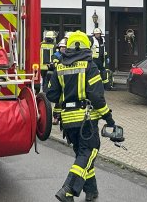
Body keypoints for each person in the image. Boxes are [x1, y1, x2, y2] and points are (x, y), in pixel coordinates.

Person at [47, 31, 116, 202]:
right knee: (89, 152)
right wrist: (109, 119)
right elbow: (97, 97)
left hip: (68, 122)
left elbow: (52, 95)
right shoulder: (90, 67)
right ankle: (67, 190)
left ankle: (91, 191)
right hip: (86, 120)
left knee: (82, 156)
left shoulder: (59, 67)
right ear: (87, 47)